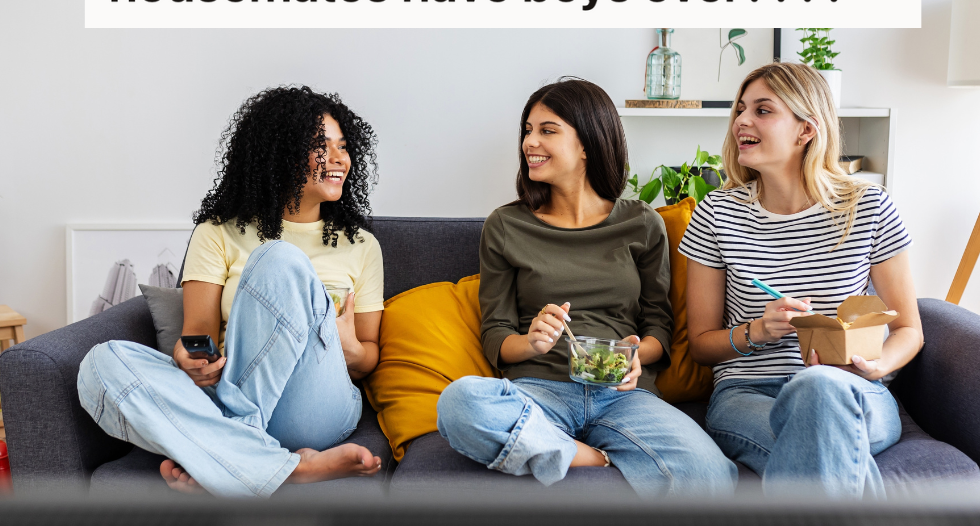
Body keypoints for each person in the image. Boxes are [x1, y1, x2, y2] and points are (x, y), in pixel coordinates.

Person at [77, 86, 386, 497]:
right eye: (320, 145)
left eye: (343, 146)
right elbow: (196, 337)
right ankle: (276, 466)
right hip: (222, 389)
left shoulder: (361, 245)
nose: (339, 158)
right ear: (280, 153)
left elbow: (368, 359)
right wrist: (188, 358)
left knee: (278, 259)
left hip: (314, 402)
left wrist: (349, 348)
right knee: (101, 363)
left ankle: (224, 451)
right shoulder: (216, 232)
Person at [436, 78, 737, 498]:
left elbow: (659, 328)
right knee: (459, 403)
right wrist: (532, 343)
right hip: (539, 391)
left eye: (547, 130)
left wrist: (636, 357)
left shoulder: (642, 223)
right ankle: (589, 456)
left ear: (587, 144)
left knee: (711, 474)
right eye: (527, 130)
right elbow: (496, 334)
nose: (530, 142)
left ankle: (549, 452)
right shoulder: (505, 226)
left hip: (622, 394)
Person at [680, 62, 922, 498]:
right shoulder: (717, 212)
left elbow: (908, 329)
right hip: (748, 393)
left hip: (852, 390)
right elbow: (700, 344)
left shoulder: (868, 207)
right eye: (740, 109)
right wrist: (758, 331)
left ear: (806, 130)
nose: (742, 120)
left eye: (763, 110)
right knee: (824, 448)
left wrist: (875, 366)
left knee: (820, 387)